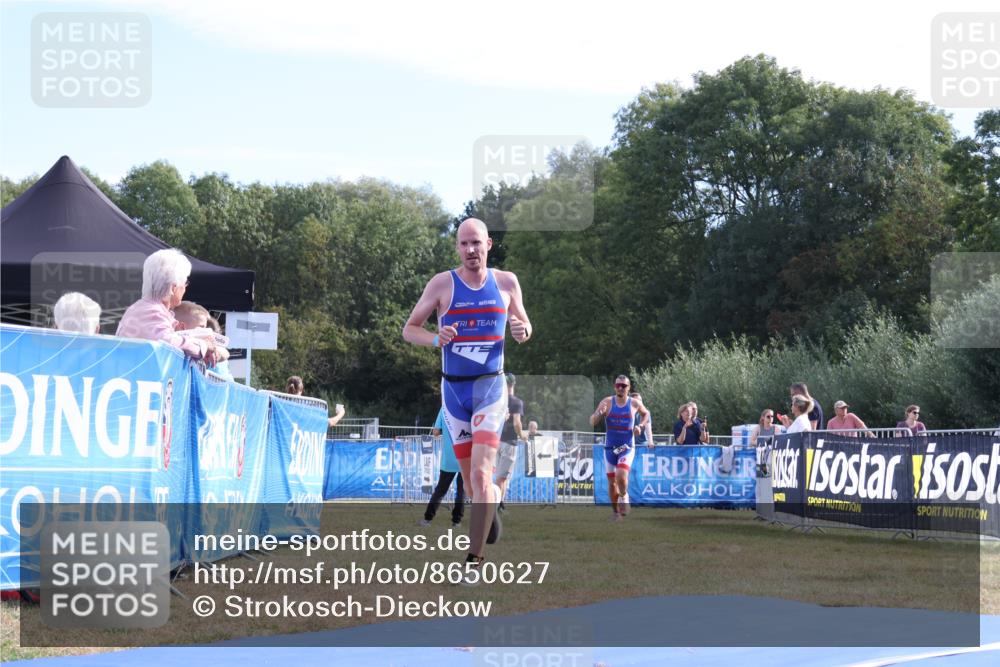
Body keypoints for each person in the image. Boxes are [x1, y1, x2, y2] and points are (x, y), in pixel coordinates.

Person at [402, 217, 532, 573]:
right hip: (453, 391)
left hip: (490, 388)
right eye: (464, 244)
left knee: (479, 474)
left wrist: (522, 330)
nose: (471, 250)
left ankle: (474, 561)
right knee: (475, 486)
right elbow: (409, 329)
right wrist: (434, 338)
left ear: (489, 244)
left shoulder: (506, 282)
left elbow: (524, 325)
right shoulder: (442, 284)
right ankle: (494, 501)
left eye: (477, 243)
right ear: (457, 247)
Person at [117, 249, 219, 365]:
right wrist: (203, 345)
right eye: (185, 283)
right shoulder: (151, 312)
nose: (185, 288)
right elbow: (168, 343)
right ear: (173, 288)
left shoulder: (144, 309)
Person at [590, 375, 650, 519]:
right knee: (611, 483)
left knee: (621, 476)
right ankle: (616, 513)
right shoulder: (607, 402)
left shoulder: (634, 403)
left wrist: (640, 426)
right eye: (618, 385)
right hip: (610, 448)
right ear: (614, 387)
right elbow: (592, 421)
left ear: (629, 388)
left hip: (627, 446)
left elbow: (646, 413)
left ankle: (624, 496)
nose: (621, 388)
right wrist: (599, 413)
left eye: (624, 386)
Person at [421, 408, 465, 527]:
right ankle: (456, 521)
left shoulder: (445, 409)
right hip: (465, 458)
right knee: (461, 492)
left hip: (449, 458)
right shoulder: (468, 408)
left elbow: (435, 432)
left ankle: (427, 519)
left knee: (440, 490)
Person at [494, 373, 525, 510]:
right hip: (509, 442)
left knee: (502, 477)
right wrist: (522, 434)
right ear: (514, 384)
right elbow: (517, 423)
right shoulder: (516, 402)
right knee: (501, 477)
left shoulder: (496, 401)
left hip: (495, 441)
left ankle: (501, 503)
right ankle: (497, 505)